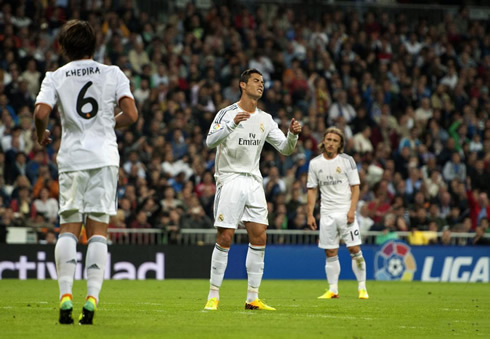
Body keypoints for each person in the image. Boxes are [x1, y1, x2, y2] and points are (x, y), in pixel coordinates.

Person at [34, 20, 138, 325]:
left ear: (62, 47)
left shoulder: (55, 77)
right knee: (98, 231)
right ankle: (91, 299)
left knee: (68, 227)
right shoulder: (112, 73)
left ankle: (65, 296)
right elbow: (131, 114)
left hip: (72, 157)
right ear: (94, 46)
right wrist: (107, 123)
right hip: (105, 157)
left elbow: (41, 113)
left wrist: (41, 134)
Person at [203, 68, 302, 311]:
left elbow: (285, 149)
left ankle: (252, 298)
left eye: (263, 82)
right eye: (256, 81)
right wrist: (230, 126)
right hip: (231, 178)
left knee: (259, 236)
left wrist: (292, 136)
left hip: (253, 181)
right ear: (242, 85)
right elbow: (209, 141)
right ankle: (213, 295)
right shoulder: (227, 113)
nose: (261, 85)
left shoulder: (266, 119)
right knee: (225, 237)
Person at [306, 127, 368, 300]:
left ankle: (362, 287)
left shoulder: (348, 161)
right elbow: (312, 190)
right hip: (326, 213)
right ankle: (333, 289)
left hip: (345, 211)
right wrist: (310, 214)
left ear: (340, 144)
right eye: (329, 139)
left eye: (335, 141)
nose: (331, 143)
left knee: (354, 248)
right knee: (330, 252)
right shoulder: (315, 163)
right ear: (323, 141)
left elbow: (355, 188)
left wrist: (351, 210)